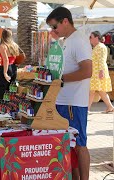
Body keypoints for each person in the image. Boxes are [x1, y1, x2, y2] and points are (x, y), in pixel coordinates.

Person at [46, 7, 92, 180]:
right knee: (69, 146)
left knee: (80, 145)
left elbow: (87, 71)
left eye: (54, 26)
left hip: (74, 103)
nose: (53, 31)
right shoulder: (66, 40)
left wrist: (61, 79)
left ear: (65, 21)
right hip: (63, 101)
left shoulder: (79, 40)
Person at [0, 29, 19, 108]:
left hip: (6, 68)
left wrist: (5, 73)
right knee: (10, 91)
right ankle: (9, 109)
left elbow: (6, 60)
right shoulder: (14, 45)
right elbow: (16, 57)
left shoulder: (3, 46)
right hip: (13, 68)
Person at [88, 31, 114, 113]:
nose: (90, 39)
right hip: (95, 72)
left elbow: (102, 60)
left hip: (98, 71)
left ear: (96, 37)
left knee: (94, 90)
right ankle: (110, 107)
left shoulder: (100, 47)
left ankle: (87, 109)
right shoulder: (97, 47)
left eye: (91, 37)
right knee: (99, 90)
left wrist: (101, 71)